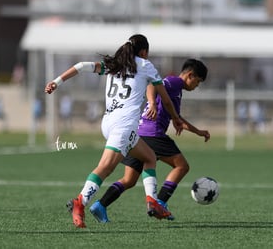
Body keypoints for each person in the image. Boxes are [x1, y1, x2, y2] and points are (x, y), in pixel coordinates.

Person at [45, 34, 184, 228]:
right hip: (123, 126)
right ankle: (80, 202)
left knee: (150, 157)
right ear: (144, 51)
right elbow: (166, 100)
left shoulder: (113, 64)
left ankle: (153, 202)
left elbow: (82, 66)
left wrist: (57, 81)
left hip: (108, 123)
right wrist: (176, 119)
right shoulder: (145, 65)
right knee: (105, 168)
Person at [89, 58, 210, 223]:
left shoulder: (176, 89)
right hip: (153, 134)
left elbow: (176, 117)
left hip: (139, 134)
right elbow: (152, 84)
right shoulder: (174, 82)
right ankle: (159, 202)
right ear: (190, 75)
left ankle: (100, 205)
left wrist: (198, 131)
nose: (197, 86)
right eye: (198, 82)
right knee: (182, 166)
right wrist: (152, 103)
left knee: (129, 180)